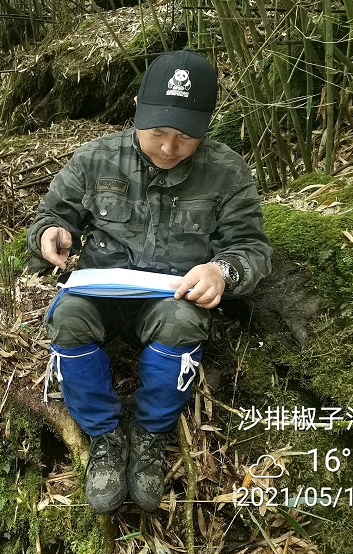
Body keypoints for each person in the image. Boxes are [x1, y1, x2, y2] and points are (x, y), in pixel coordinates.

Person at [27, 49, 272, 514]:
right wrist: (51, 235)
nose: (168, 147)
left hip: (172, 296)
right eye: (157, 132)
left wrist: (222, 271)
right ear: (138, 110)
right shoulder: (96, 159)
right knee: (69, 318)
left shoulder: (226, 172)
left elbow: (252, 248)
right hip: (102, 291)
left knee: (183, 324)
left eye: (184, 137)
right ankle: (103, 434)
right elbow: (51, 216)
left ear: (205, 126)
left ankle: (151, 433)